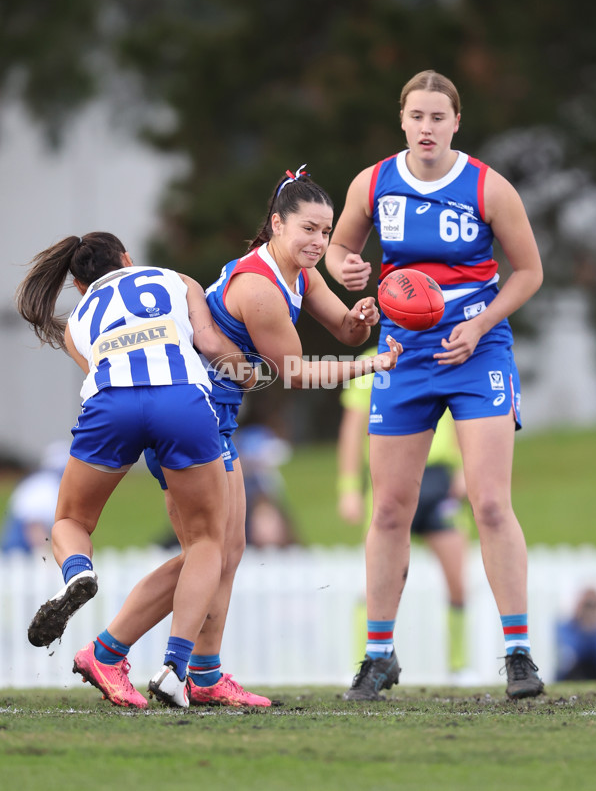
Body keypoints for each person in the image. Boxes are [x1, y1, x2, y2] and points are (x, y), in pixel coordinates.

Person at [69, 167, 401, 709]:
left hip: (212, 413)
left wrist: (364, 319)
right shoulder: (259, 288)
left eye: (326, 230)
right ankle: (109, 652)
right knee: (206, 550)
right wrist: (373, 366)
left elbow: (345, 330)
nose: (319, 242)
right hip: (189, 410)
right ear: (276, 223)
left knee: (227, 548)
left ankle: (204, 673)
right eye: (308, 230)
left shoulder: (300, 271)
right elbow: (294, 372)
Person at [325, 70, 544, 700]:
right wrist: (351, 270)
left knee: (490, 503)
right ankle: (379, 655)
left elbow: (528, 273)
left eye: (438, 118)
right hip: (403, 352)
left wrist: (479, 325)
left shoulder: (487, 187)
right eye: (416, 116)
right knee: (390, 508)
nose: (426, 127)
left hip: (477, 352)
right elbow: (341, 251)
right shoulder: (372, 183)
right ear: (402, 120)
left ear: (456, 124)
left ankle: (518, 652)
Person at [15, 231, 254, 708]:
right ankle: (175, 667)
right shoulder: (174, 279)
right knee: (209, 542)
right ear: (128, 259)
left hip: (113, 405)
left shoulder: (76, 320)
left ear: (80, 286)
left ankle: (78, 571)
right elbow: (207, 342)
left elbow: (98, 371)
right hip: (180, 402)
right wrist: (245, 368)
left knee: (70, 521)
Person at [337, 361, 470, 679]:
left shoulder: (445, 352)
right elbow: (352, 431)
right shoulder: (372, 360)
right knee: (374, 578)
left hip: (440, 480)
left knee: (458, 580)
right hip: (390, 479)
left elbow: (463, 415)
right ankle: (366, 662)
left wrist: (465, 470)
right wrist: (348, 487)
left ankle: (459, 665)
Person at [0, 440, 70, 554]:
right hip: (20, 550)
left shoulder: (37, 481)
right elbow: (35, 526)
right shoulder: (47, 485)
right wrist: (47, 555)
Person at [555, 588, 596, 681]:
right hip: (572, 673)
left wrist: (593, 626)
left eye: (593, 605)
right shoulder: (566, 626)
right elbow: (571, 652)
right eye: (587, 605)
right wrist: (584, 627)